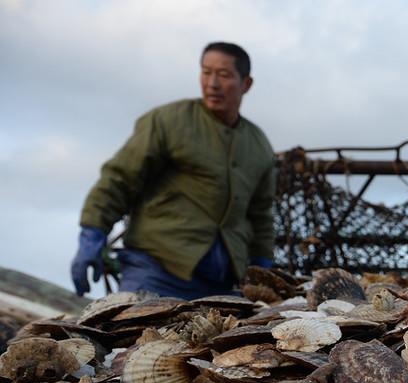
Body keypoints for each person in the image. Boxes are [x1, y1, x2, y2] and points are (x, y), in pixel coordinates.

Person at [70, 42, 276, 299]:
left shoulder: (259, 145)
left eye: (223, 75)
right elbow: (119, 179)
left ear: (246, 84)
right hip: (154, 272)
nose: (212, 83)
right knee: (133, 337)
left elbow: (261, 215)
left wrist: (262, 265)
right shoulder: (167, 121)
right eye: (205, 72)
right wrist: (92, 235)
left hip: (221, 286)